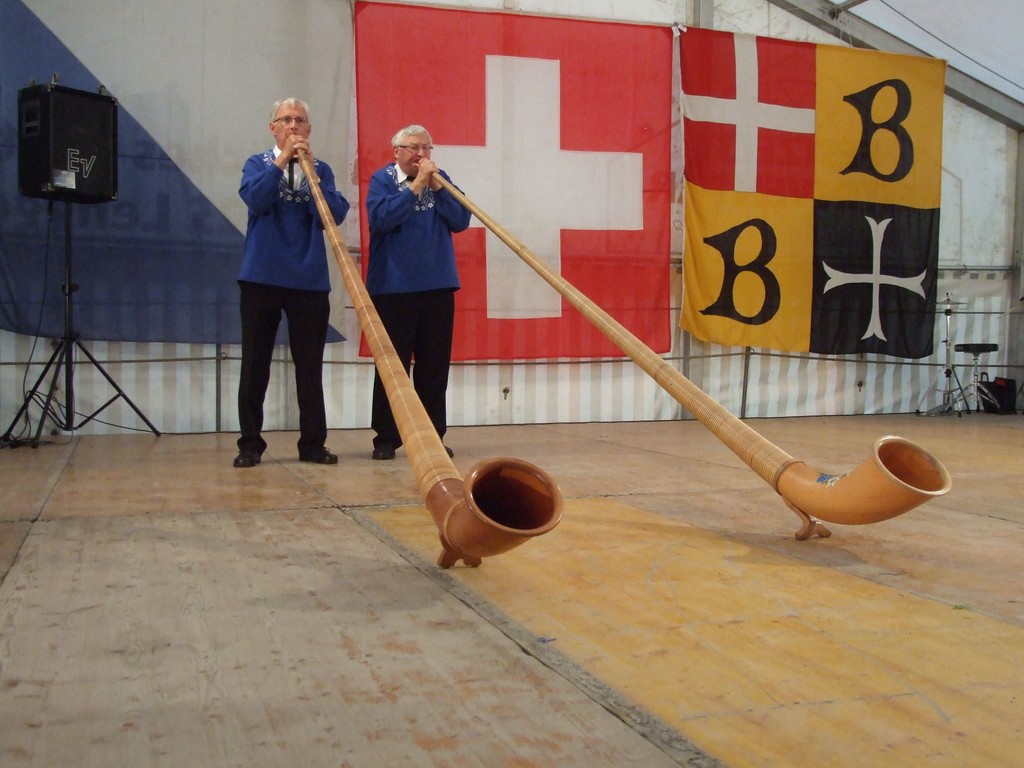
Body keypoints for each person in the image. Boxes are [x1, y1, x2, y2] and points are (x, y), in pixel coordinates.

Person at [233, 97, 350, 468]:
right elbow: (256, 199)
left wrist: (312, 172)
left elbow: (332, 215)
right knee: (255, 363)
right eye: (286, 119)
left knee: (309, 366)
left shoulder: (321, 169)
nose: (294, 126)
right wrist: (283, 159)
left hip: (309, 281)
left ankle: (313, 443)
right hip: (262, 277)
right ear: (273, 128)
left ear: (309, 130)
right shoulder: (258, 163)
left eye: (300, 120)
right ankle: (250, 444)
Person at [365, 125, 472, 460]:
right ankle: (387, 437)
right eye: (413, 147)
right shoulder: (382, 180)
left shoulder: (441, 179)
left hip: (437, 285)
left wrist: (437, 186)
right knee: (392, 366)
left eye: (426, 148)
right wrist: (416, 186)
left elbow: (461, 219)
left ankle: (432, 436)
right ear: (396, 151)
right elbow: (382, 218)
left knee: (434, 366)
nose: (421, 154)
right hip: (393, 288)